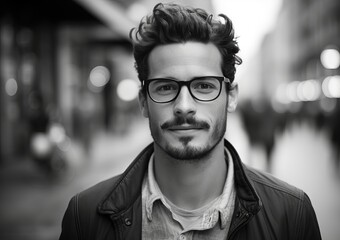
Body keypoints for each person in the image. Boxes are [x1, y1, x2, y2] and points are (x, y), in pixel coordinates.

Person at [59, 3, 322, 239]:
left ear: (231, 97)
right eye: (165, 88)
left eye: (204, 86)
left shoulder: (291, 214)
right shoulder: (85, 217)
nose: (184, 107)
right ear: (143, 102)